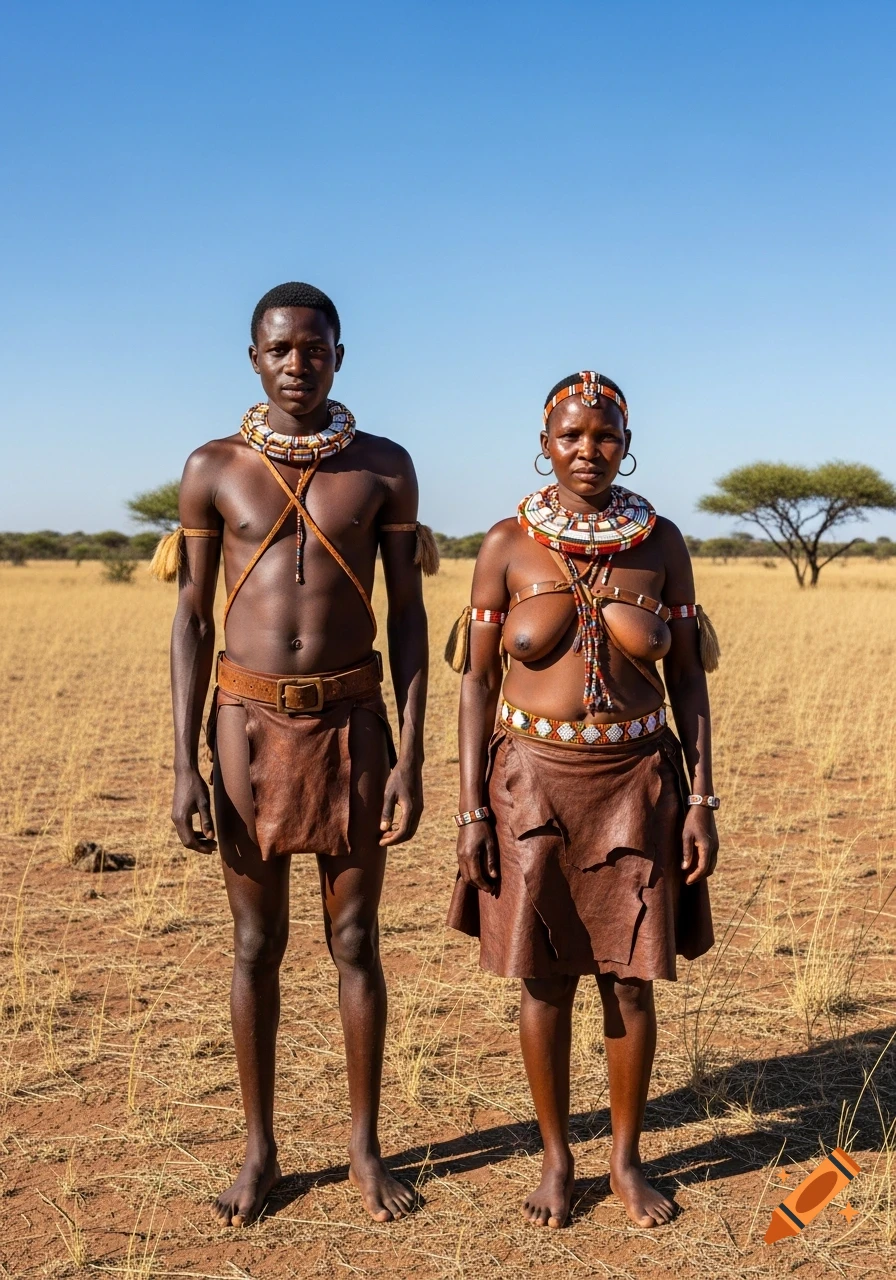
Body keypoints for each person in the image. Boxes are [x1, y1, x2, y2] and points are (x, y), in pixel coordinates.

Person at [157, 282, 435, 1227]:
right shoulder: (212, 468)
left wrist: (413, 755)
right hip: (243, 729)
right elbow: (191, 619)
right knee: (255, 944)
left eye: (314, 348)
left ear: (340, 355)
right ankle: (260, 1148)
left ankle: (363, 1150)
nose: (297, 364)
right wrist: (185, 763)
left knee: (355, 942)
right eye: (279, 349)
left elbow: (408, 617)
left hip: (355, 727)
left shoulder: (384, 468)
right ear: (253, 359)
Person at [446, 371, 718, 1230]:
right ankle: (558, 1160)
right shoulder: (505, 545)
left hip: (639, 785)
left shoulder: (661, 541)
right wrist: (470, 811)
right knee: (544, 983)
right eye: (570, 436)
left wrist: (702, 796)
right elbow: (475, 686)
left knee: (631, 985)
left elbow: (689, 686)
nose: (587, 451)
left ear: (626, 444)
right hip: (531, 785)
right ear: (544, 442)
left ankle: (627, 1161)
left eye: (603, 436)